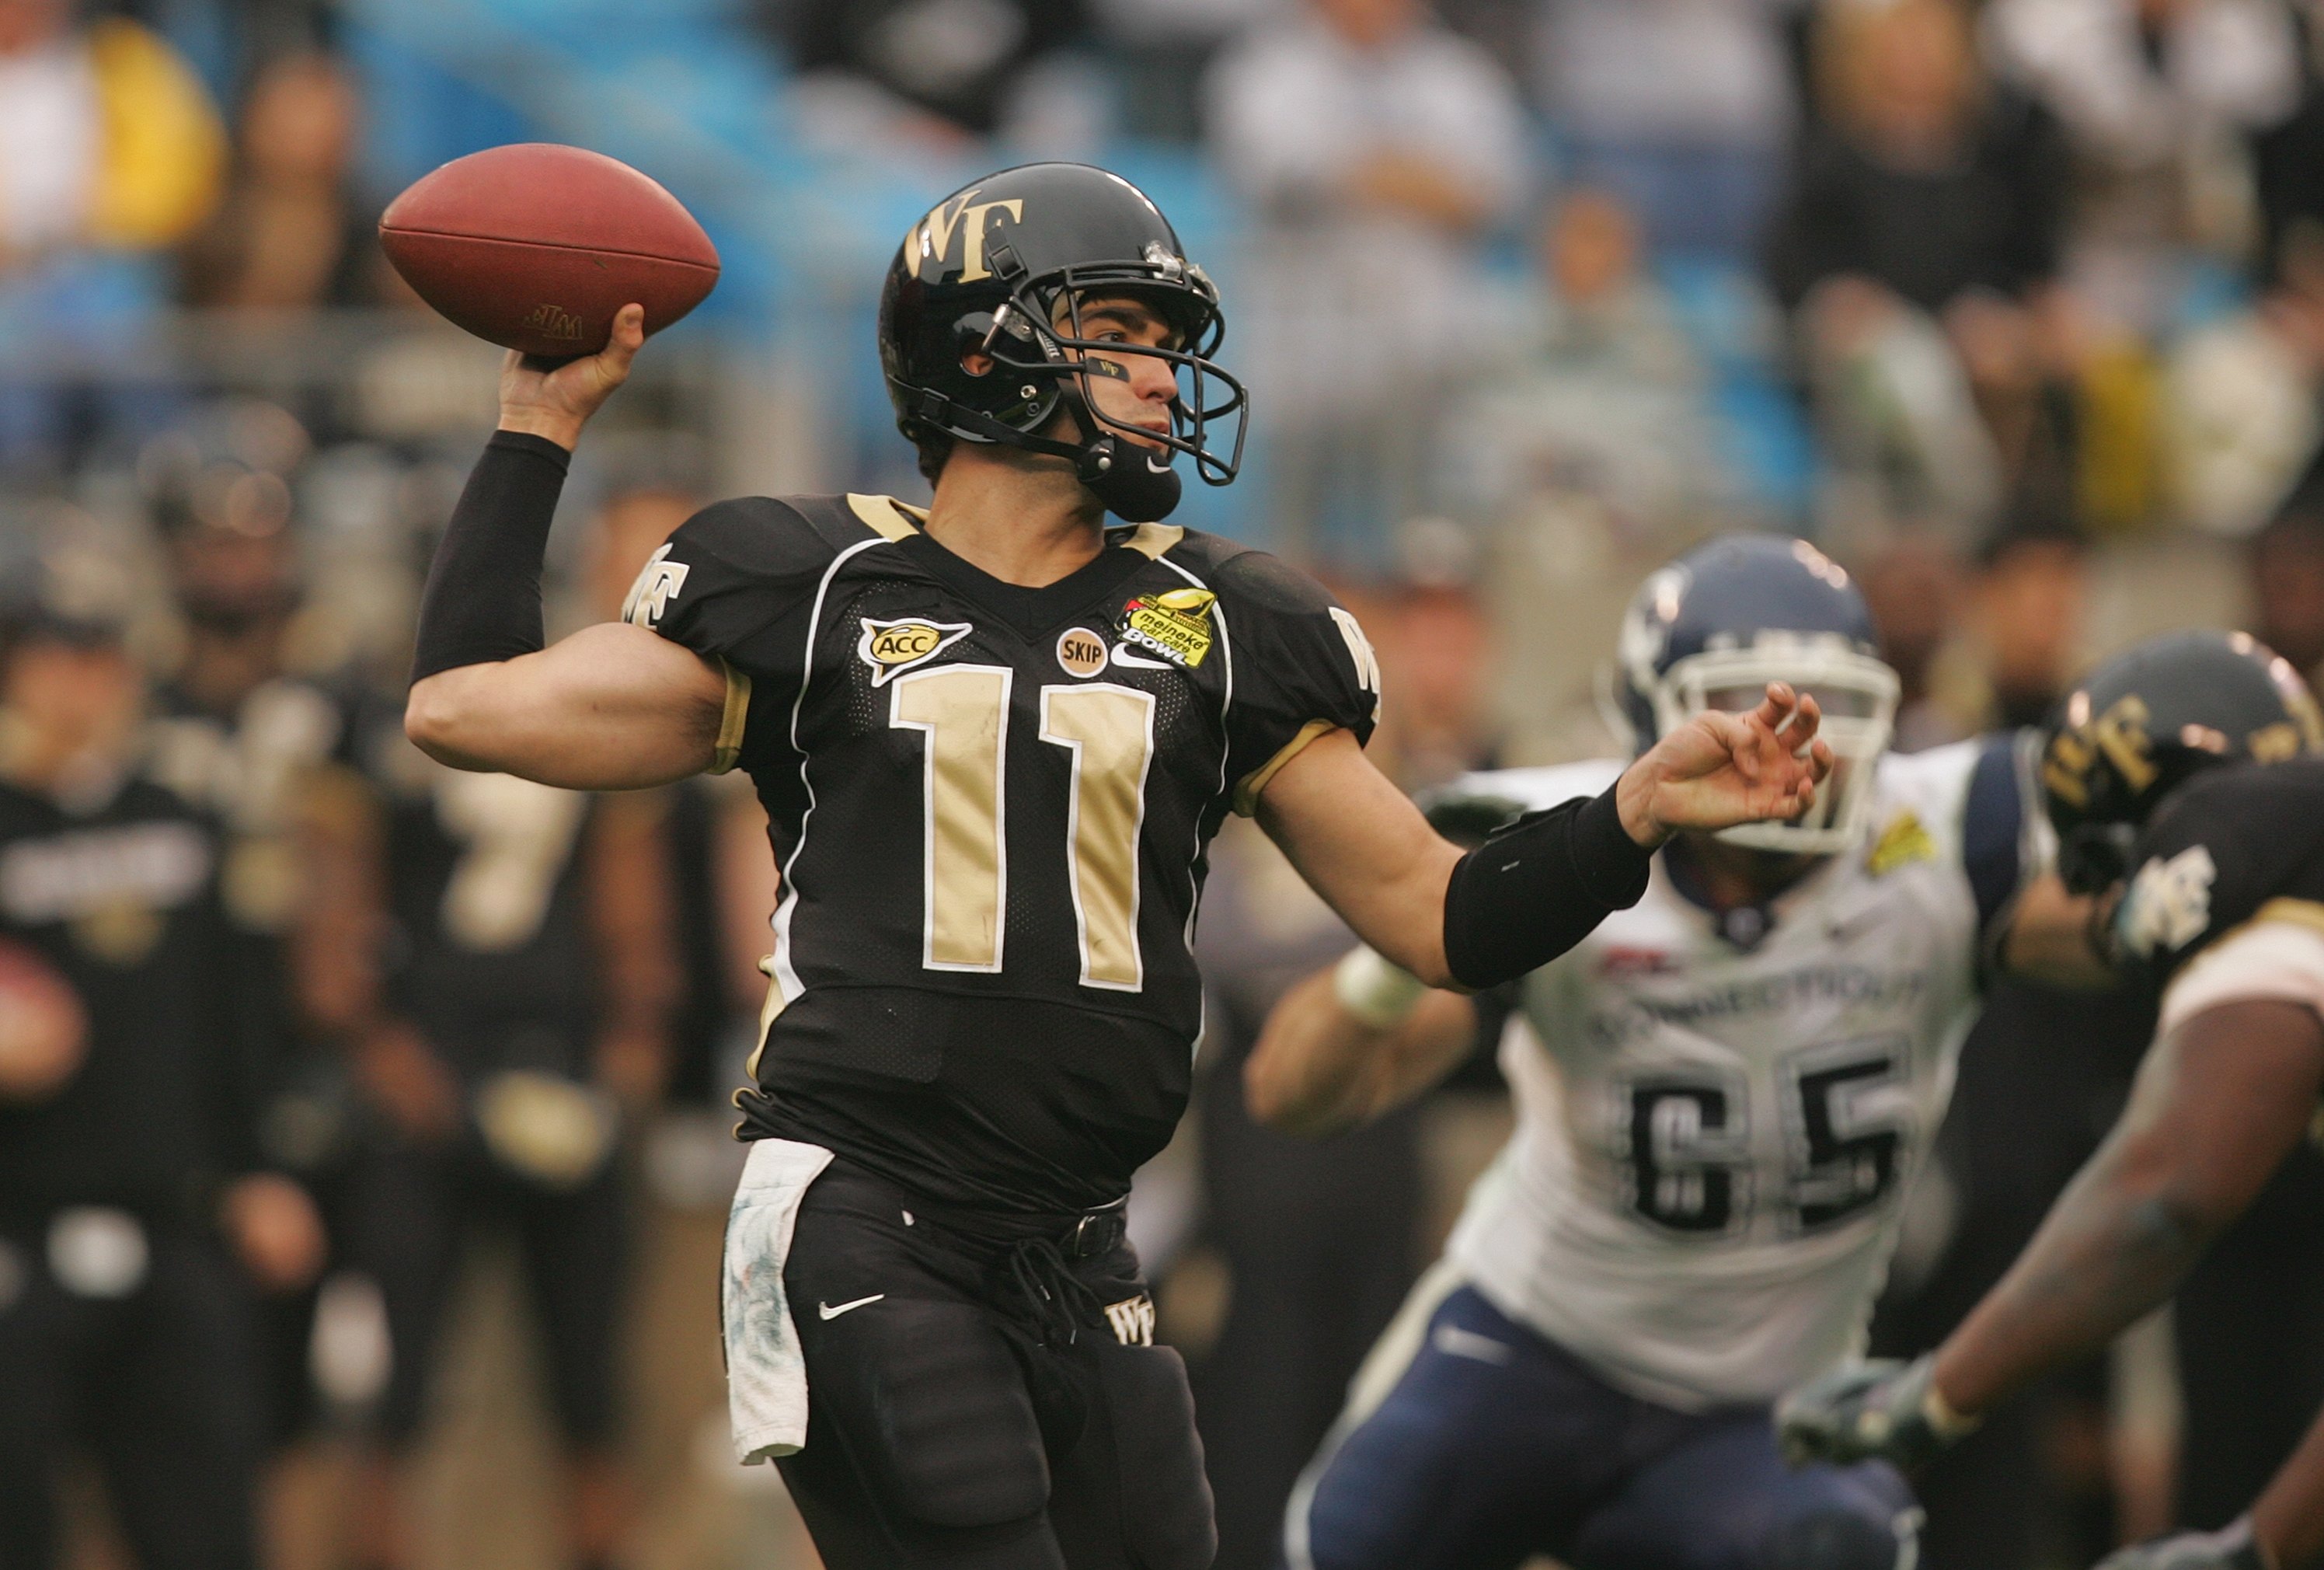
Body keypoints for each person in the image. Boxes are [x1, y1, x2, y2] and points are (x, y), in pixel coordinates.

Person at [395, 160, 1833, 1570]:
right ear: (983, 345)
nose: (1160, 377)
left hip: (1079, 1246)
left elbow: (1441, 918)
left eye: (1167, 344)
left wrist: (1627, 814)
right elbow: (462, 705)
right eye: (1122, 334)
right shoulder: (809, 586)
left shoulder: (1221, 617)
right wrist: (538, 425)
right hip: (862, 1209)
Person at [1246, 532, 2108, 1570]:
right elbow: (1290, 1094)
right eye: (1744, 712)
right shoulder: (1561, 846)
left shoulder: (1942, 838)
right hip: (1532, 1342)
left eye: (1818, 712)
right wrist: (1397, 961)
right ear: (1655, 717)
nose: (1783, 752)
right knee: (1338, 1550)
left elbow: (2147, 921)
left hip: (1759, 1408)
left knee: (1842, 1541)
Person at [1776, 630, 2324, 1570]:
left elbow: (2165, 1192)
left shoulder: (2247, 841)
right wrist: (2265, 1542)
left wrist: (1938, 1393)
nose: (2096, 913)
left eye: (2098, 873)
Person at [0, 568, 326, 1570]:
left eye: (98, 657)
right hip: (20, 1229)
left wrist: (261, 1166)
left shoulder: (185, 818)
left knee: (205, 1515)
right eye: (54, 656)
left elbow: (239, 1013)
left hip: (180, 1217)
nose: (78, 683)